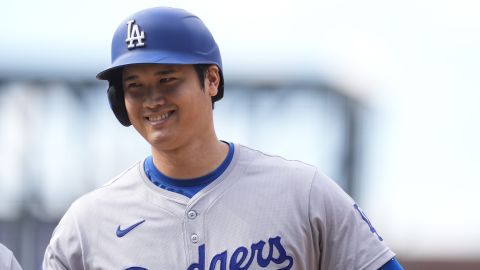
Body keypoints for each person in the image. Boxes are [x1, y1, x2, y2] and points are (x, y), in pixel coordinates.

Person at [43, 6, 404, 270]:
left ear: (211, 80)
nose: (152, 99)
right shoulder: (86, 225)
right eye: (134, 86)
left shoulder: (303, 193)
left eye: (167, 79)